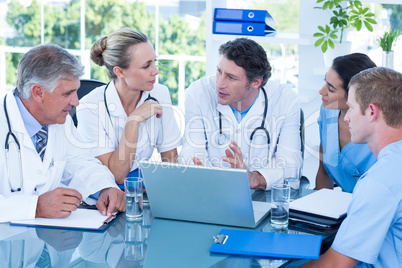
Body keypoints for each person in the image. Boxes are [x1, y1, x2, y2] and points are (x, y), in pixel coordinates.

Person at [0, 44, 125, 223]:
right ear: (38, 92)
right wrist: (35, 207)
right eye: (68, 93)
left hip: (46, 239)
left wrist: (104, 188)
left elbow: (81, 162)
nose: (76, 102)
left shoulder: (59, 121)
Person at [302, 67, 402, 267]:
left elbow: (335, 264)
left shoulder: (379, 181)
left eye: (351, 109)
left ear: (371, 112)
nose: (346, 118)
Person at [179, 38, 302, 190]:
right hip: (210, 193)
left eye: (231, 77)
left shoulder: (286, 100)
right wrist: (206, 174)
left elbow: (292, 167)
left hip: (263, 199)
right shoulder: (198, 92)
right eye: (219, 72)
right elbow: (190, 151)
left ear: (256, 82)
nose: (219, 84)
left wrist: (253, 179)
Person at [76, 28, 181, 188]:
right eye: (146, 66)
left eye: (154, 62)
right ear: (120, 71)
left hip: (142, 183)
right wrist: (133, 121)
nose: (156, 71)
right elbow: (116, 175)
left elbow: (171, 161)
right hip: (104, 188)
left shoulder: (160, 93)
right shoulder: (89, 107)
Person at [315, 53, 377, 193]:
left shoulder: (379, 128)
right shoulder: (328, 111)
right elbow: (324, 172)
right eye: (325, 82)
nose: (321, 91)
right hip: (339, 207)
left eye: (331, 89)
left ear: (355, 94)